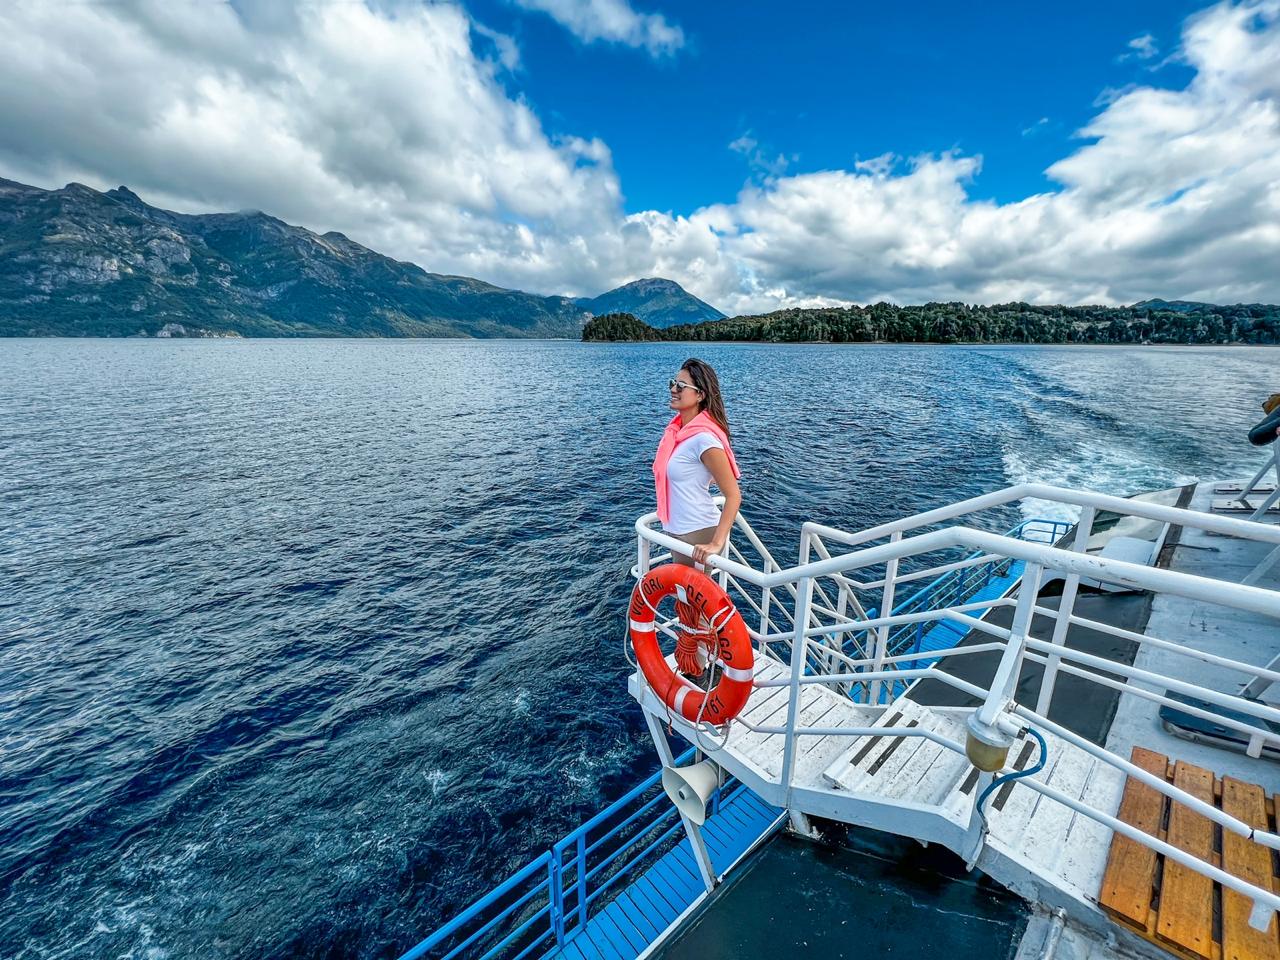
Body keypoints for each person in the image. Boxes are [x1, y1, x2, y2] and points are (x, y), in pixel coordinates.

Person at [651, 358, 742, 674]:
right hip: (677, 533)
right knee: (689, 609)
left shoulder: (704, 438)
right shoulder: (678, 432)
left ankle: (707, 676)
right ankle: (698, 668)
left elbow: (733, 495)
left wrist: (717, 543)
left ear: (700, 394)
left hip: (698, 534)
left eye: (681, 386)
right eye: (672, 384)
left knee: (701, 612)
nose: (673, 390)